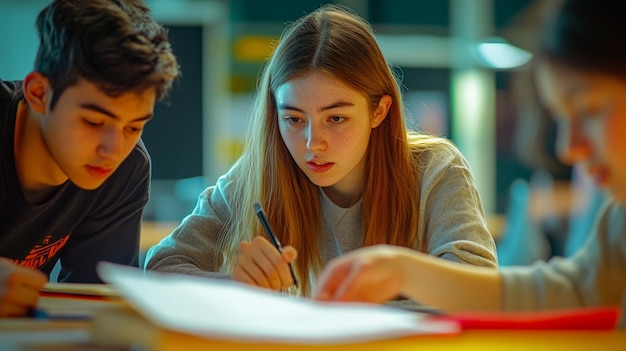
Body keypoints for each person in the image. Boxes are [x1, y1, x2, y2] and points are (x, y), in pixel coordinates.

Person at [145, 4, 497, 297]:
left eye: (337, 118)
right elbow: (159, 267)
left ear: (379, 111)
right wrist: (236, 286)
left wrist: (391, 284)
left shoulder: (435, 168)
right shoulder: (258, 174)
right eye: (295, 119)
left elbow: (481, 289)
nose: (314, 143)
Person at [314, 0, 626, 328]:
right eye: (561, 117)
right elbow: (572, 291)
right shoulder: (619, 218)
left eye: (590, 109)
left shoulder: (436, 164)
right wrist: (400, 271)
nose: (568, 148)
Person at [0, 0, 179, 317]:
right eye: (93, 122)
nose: (113, 150)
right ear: (39, 93)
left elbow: (89, 313)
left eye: (134, 126)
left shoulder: (127, 171)